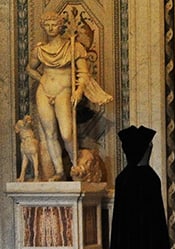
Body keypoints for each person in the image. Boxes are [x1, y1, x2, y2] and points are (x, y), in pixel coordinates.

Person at [27, 10, 113, 180]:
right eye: (47, 25)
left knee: (66, 133)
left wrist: (79, 91)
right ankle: (59, 171)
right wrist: (42, 79)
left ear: (60, 26)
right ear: (44, 27)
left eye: (54, 24)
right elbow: (30, 68)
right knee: (50, 133)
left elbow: (84, 73)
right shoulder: (40, 50)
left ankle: (76, 165)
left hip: (64, 91)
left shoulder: (73, 47)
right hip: (44, 92)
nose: (51, 28)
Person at [107, 126, 172, 249]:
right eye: (148, 146)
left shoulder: (126, 178)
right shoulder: (146, 178)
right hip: (145, 238)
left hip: (138, 238)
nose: (150, 149)